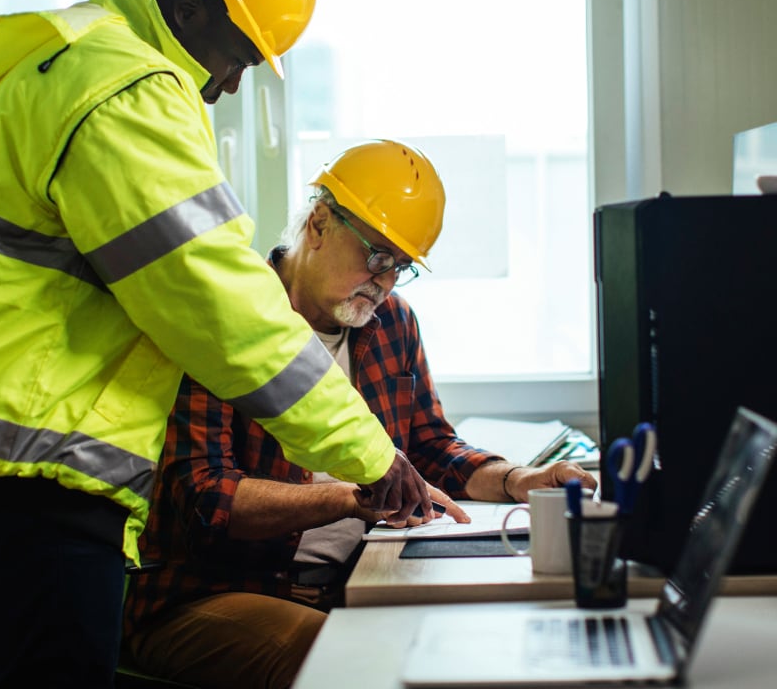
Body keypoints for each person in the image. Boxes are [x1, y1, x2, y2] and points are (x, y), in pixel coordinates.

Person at [0, 0, 431, 689]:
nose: (228, 86)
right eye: (239, 57)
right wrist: (366, 459)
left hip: (17, 490)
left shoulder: (60, 53)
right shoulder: (124, 90)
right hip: (30, 497)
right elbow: (224, 311)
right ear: (186, 9)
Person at [123, 140, 597, 689]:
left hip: (355, 582)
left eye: (400, 267)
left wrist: (518, 479)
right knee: (354, 665)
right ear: (319, 223)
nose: (385, 280)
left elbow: (431, 448)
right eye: (377, 256)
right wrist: (357, 498)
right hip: (212, 592)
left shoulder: (392, 322)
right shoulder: (227, 321)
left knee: (475, 648)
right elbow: (204, 502)